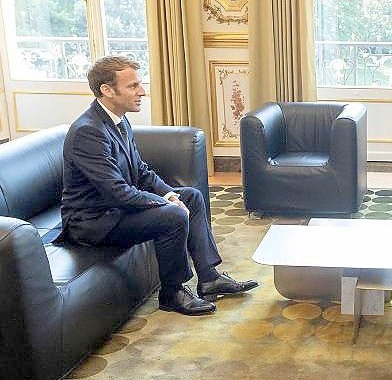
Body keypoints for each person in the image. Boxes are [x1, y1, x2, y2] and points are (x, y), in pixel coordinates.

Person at [60, 56, 258, 316]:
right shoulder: (88, 132)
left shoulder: (118, 120)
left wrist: (169, 193)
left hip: (117, 210)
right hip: (94, 222)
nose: (142, 91)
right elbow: (116, 192)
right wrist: (166, 203)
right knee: (174, 214)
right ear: (107, 90)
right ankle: (172, 292)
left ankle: (209, 277)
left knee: (192, 198)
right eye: (132, 86)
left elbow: (140, 171)